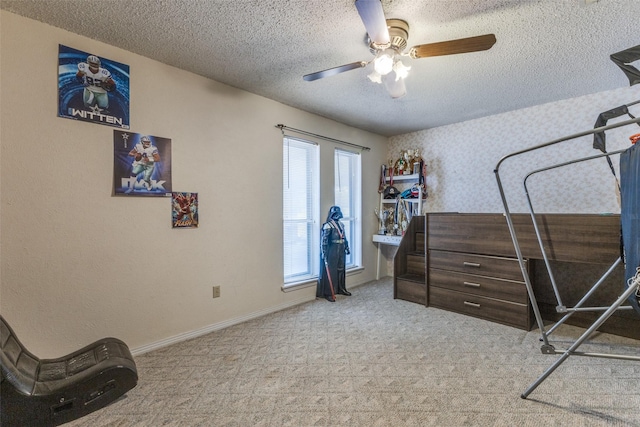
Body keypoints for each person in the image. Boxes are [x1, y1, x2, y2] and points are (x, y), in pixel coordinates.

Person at [317, 206, 352, 302]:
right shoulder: (328, 225)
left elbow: (344, 237)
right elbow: (324, 241)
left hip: (341, 249)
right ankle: (329, 292)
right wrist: (323, 252)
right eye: (335, 214)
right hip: (332, 249)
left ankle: (341, 288)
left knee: (341, 269)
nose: (337, 216)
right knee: (331, 270)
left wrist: (347, 247)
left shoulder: (341, 224)